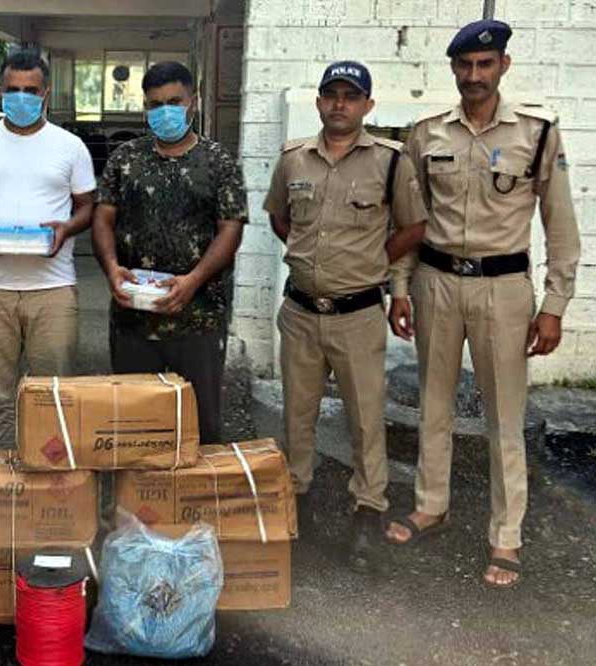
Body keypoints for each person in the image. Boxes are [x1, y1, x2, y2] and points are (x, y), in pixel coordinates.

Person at [384, 20, 581, 589]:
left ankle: (506, 534)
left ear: (503, 66)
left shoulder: (536, 134)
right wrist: (401, 287)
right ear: (453, 69)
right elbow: (411, 221)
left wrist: (555, 304)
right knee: (434, 403)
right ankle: (431, 505)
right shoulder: (427, 134)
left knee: (504, 417)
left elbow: (561, 226)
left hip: (504, 289)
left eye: (485, 64)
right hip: (437, 283)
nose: (475, 75)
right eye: (466, 65)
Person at [265, 61, 428, 571]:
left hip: (357, 315)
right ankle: (297, 501)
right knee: (298, 415)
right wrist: (308, 256)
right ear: (319, 102)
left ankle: (367, 510)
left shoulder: (390, 162)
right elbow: (279, 217)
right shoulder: (293, 159)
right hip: (300, 311)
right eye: (331, 94)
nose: (340, 104)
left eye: (351, 96)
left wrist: (375, 262)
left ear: (367, 106)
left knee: (365, 418)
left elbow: (414, 227)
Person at [0, 51, 96, 447]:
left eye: (30, 91)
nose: (21, 98)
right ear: (0, 92)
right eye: (13, 91)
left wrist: (67, 228)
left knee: (53, 394)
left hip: (52, 289)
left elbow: (87, 207)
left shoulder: (70, 146)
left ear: (46, 94)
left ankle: (50, 476)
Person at [92, 61, 248, 445]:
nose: (165, 111)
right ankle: (138, 485)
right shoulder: (125, 159)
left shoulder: (219, 162)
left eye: (174, 102)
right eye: (156, 104)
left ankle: (196, 484)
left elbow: (231, 229)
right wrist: (111, 268)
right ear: (145, 107)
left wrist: (194, 281)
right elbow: (103, 219)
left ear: (193, 101)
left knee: (200, 423)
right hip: (133, 316)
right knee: (134, 424)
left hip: (198, 318)